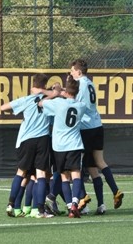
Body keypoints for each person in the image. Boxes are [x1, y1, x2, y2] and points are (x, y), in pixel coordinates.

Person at [68, 59, 124, 215]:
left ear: (78, 72)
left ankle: (83, 202)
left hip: (85, 128)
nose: (71, 73)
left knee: (77, 166)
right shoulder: (91, 83)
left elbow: (76, 105)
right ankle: (109, 197)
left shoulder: (80, 84)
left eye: (72, 70)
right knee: (97, 163)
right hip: (98, 126)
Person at [1, 73, 60, 219]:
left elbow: (3, 107)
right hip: (42, 139)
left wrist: (17, 110)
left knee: (21, 173)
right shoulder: (50, 102)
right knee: (40, 174)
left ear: (32, 85)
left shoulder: (26, 100)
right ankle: (40, 210)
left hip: (26, 140)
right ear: (44, 86)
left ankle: (11, 204)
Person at [39, 77, 86, 218]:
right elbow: (72, 97)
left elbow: (41, 103)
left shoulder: (58, 103)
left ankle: (69, 206)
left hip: (59, 146)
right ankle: (74, 205)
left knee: (64, 177)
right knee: (76, 175)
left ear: (66, 90)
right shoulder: (81, 105)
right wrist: (65, 92)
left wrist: (57, 93)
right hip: (75, 144)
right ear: (77, 91)